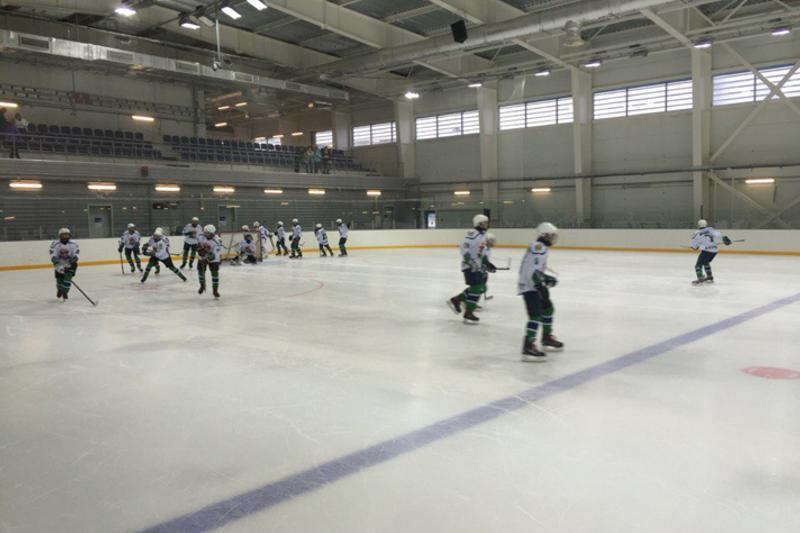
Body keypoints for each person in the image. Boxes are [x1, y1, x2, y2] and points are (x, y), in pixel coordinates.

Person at [518, 222, 564, 362]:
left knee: (548, 309)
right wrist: (540, 283)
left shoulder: (540, 247)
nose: (553, 239)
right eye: (551, 236)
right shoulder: (538, 248)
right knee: (535, 316)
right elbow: (531, 271)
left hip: (536, 284)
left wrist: (544, 278)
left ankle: (546, 337)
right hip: (530, 287)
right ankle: (528, 345)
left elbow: (534, 269)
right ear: (545, 235)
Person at [447, 214, 494, 324]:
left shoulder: (483, 236)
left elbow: (482, 253)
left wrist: (487, 264)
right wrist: (470, 262)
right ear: (479, 223)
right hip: (470, 266)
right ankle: (468, 312)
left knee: (480, 288)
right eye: (485, 223)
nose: (487, 225)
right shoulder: (473, 234)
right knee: (477, 288)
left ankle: (457, 300)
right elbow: (464, 248)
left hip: (478, 267)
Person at [690, 219, 732, 285]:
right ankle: (709, 277)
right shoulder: (711, 229)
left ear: (698, 225)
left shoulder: (696, 233)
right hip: (714, 251)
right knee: (706, 263)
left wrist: (694, 247)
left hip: (706, 251)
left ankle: (700, 279)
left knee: (698, 265)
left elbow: (694, 246)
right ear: (706, 224)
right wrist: (725, 239)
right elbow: (720, 236)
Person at [49, 227, 79, 300]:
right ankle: (60, 289)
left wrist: (74, 259)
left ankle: (65, 292)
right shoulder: (55, 243)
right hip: (59, 263)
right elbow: (52, 253)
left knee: (68, 278)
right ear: (60, 236)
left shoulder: (73, 243)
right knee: (59, 279)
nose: (65, 237)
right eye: (63, 235)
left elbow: (76, 253)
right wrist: (55, 260)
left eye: (67, 235)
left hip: (70, 263)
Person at [197, 224, 222, 298]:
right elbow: (198, 246)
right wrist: (199, 250)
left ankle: (215, 290)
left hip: (214, 259)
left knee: (215, 274)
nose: (206, 234)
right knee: (200, 272)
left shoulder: (217, 240)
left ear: (212, 233)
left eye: (208, 233)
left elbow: (214, 255)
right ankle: (202, 285)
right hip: (202, 257)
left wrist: (206, 259)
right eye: (205, 232)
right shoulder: (201, 237)